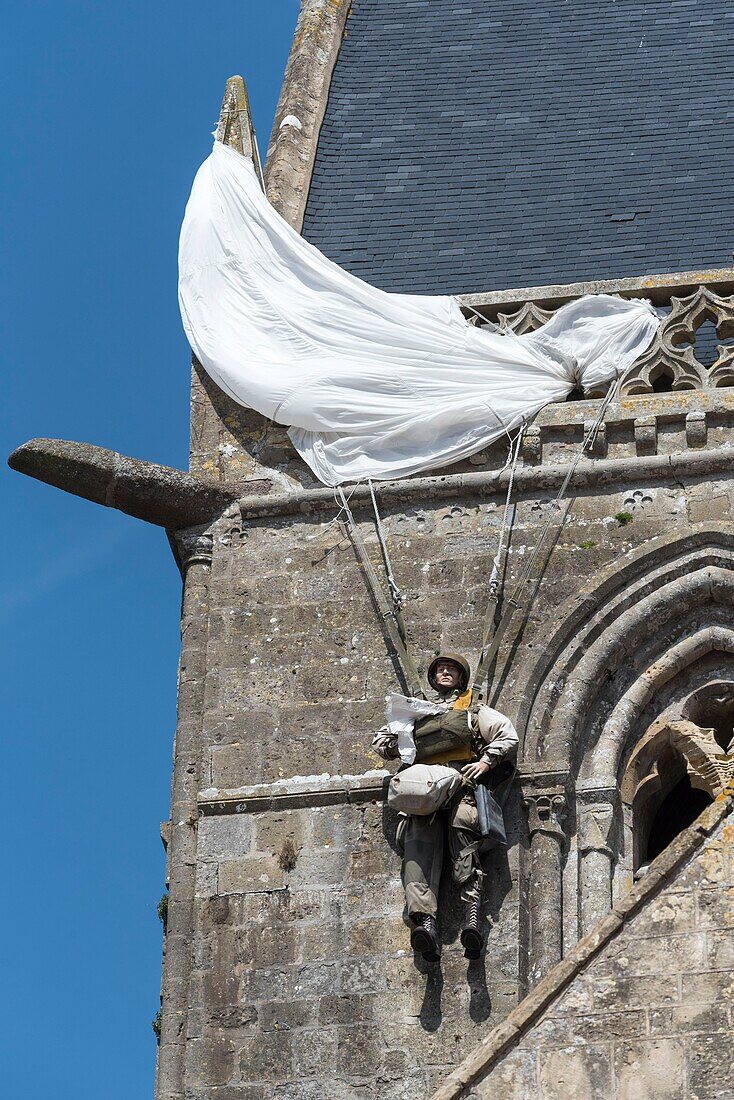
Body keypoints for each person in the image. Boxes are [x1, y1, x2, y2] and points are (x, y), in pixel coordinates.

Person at [372, 652, 518, 962]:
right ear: (434, 677)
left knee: (462, 831)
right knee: (418, 847)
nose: (445, 672)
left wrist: (485, 761)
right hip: (424, 787)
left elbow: (507, 735)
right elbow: (381, 743)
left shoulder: (473, 711)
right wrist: (399, 742)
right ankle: (425, 924)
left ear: (461, 677)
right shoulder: (415, 714)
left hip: (462, 783)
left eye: (451, 669)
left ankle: (472, 917)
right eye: (440, 669)